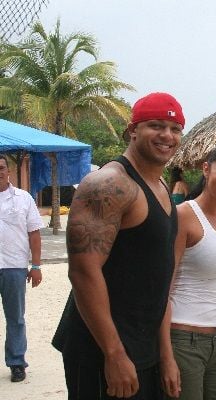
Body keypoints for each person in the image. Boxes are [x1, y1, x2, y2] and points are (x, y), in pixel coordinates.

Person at [51, 92, 185, 399]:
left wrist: (165, 355)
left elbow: (159, 277)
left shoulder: (161, 186)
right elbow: (83, 271)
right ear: (132, 130)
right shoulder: (108, 184)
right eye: (156, 125)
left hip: (144, 346)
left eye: (175, 128)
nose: (167, 135)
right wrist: (113, 353)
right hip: (102, 348)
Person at [160, 144, 216, 400]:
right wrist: (166, 357)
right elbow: (162, 290)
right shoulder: (184, 215)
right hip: (182, 342)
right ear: (206, 169)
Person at [0, 154, 43, 383]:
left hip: (14, 267)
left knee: (15, 317)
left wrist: (35, 265)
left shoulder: (23, 198)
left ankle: (17, 362)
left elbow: (34, 233)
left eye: (1, 167)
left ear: (8, 170)